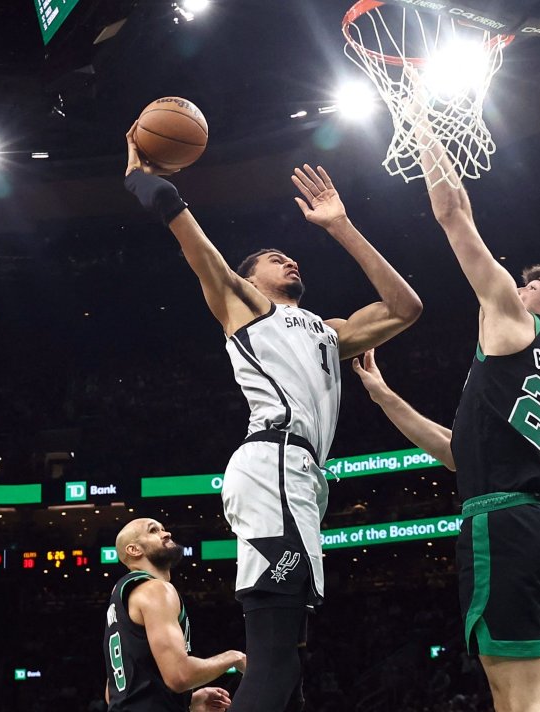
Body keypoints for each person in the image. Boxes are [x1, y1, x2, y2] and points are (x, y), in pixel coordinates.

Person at [122, 131, 422, 711]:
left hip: (300, 473)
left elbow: (407, 307)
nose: (289, 258)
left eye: (291, 255)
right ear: (249, 277)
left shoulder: (329, 331)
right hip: (275, 461)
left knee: (287, 653)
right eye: (272, 258)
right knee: (275, 649)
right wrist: (141, 179)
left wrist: (340, 227)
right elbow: (188, 232)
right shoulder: (243, 304)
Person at [347, 107, 540, 712]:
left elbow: (454, 214)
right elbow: (459, 454)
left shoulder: (513, 321)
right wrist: (384, 395)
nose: (516, 285)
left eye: (531, 285)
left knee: (516, 703)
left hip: (504, 524)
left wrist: (420, 126)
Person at [105, 518, 243, 711]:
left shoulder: (121, 596)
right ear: (134, 550)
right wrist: (233, 657)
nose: (167, 533)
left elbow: (113, 692)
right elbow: (179, 675)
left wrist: (189, 701)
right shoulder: (155, 589)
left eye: (163, 528)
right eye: (153, 531)